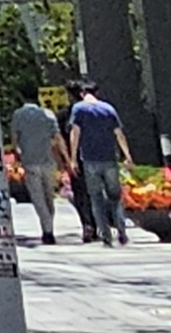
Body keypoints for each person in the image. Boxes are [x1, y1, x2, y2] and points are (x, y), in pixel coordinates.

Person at [65, 79, 129, 244]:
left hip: (89, 160)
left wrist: (73, 158)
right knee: (115, 197)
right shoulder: (108, 108)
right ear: (97, 93)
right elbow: (119, 133)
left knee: (96, 198)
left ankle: (105, 234)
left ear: (82, 94)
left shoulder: (78, 109)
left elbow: (75, 134)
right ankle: (121, 230)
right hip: (110, 158)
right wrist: (127, 156)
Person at [8, 90, 64, 245]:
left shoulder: (18, 115)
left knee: (37, 197)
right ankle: (48, 227)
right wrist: (64, 159)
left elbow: (14, 139)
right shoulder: (48, 114)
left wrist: (17, 154)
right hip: (48, 160)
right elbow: (57, 138)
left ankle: (47, 229)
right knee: (49, 197)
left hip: (30, 161)